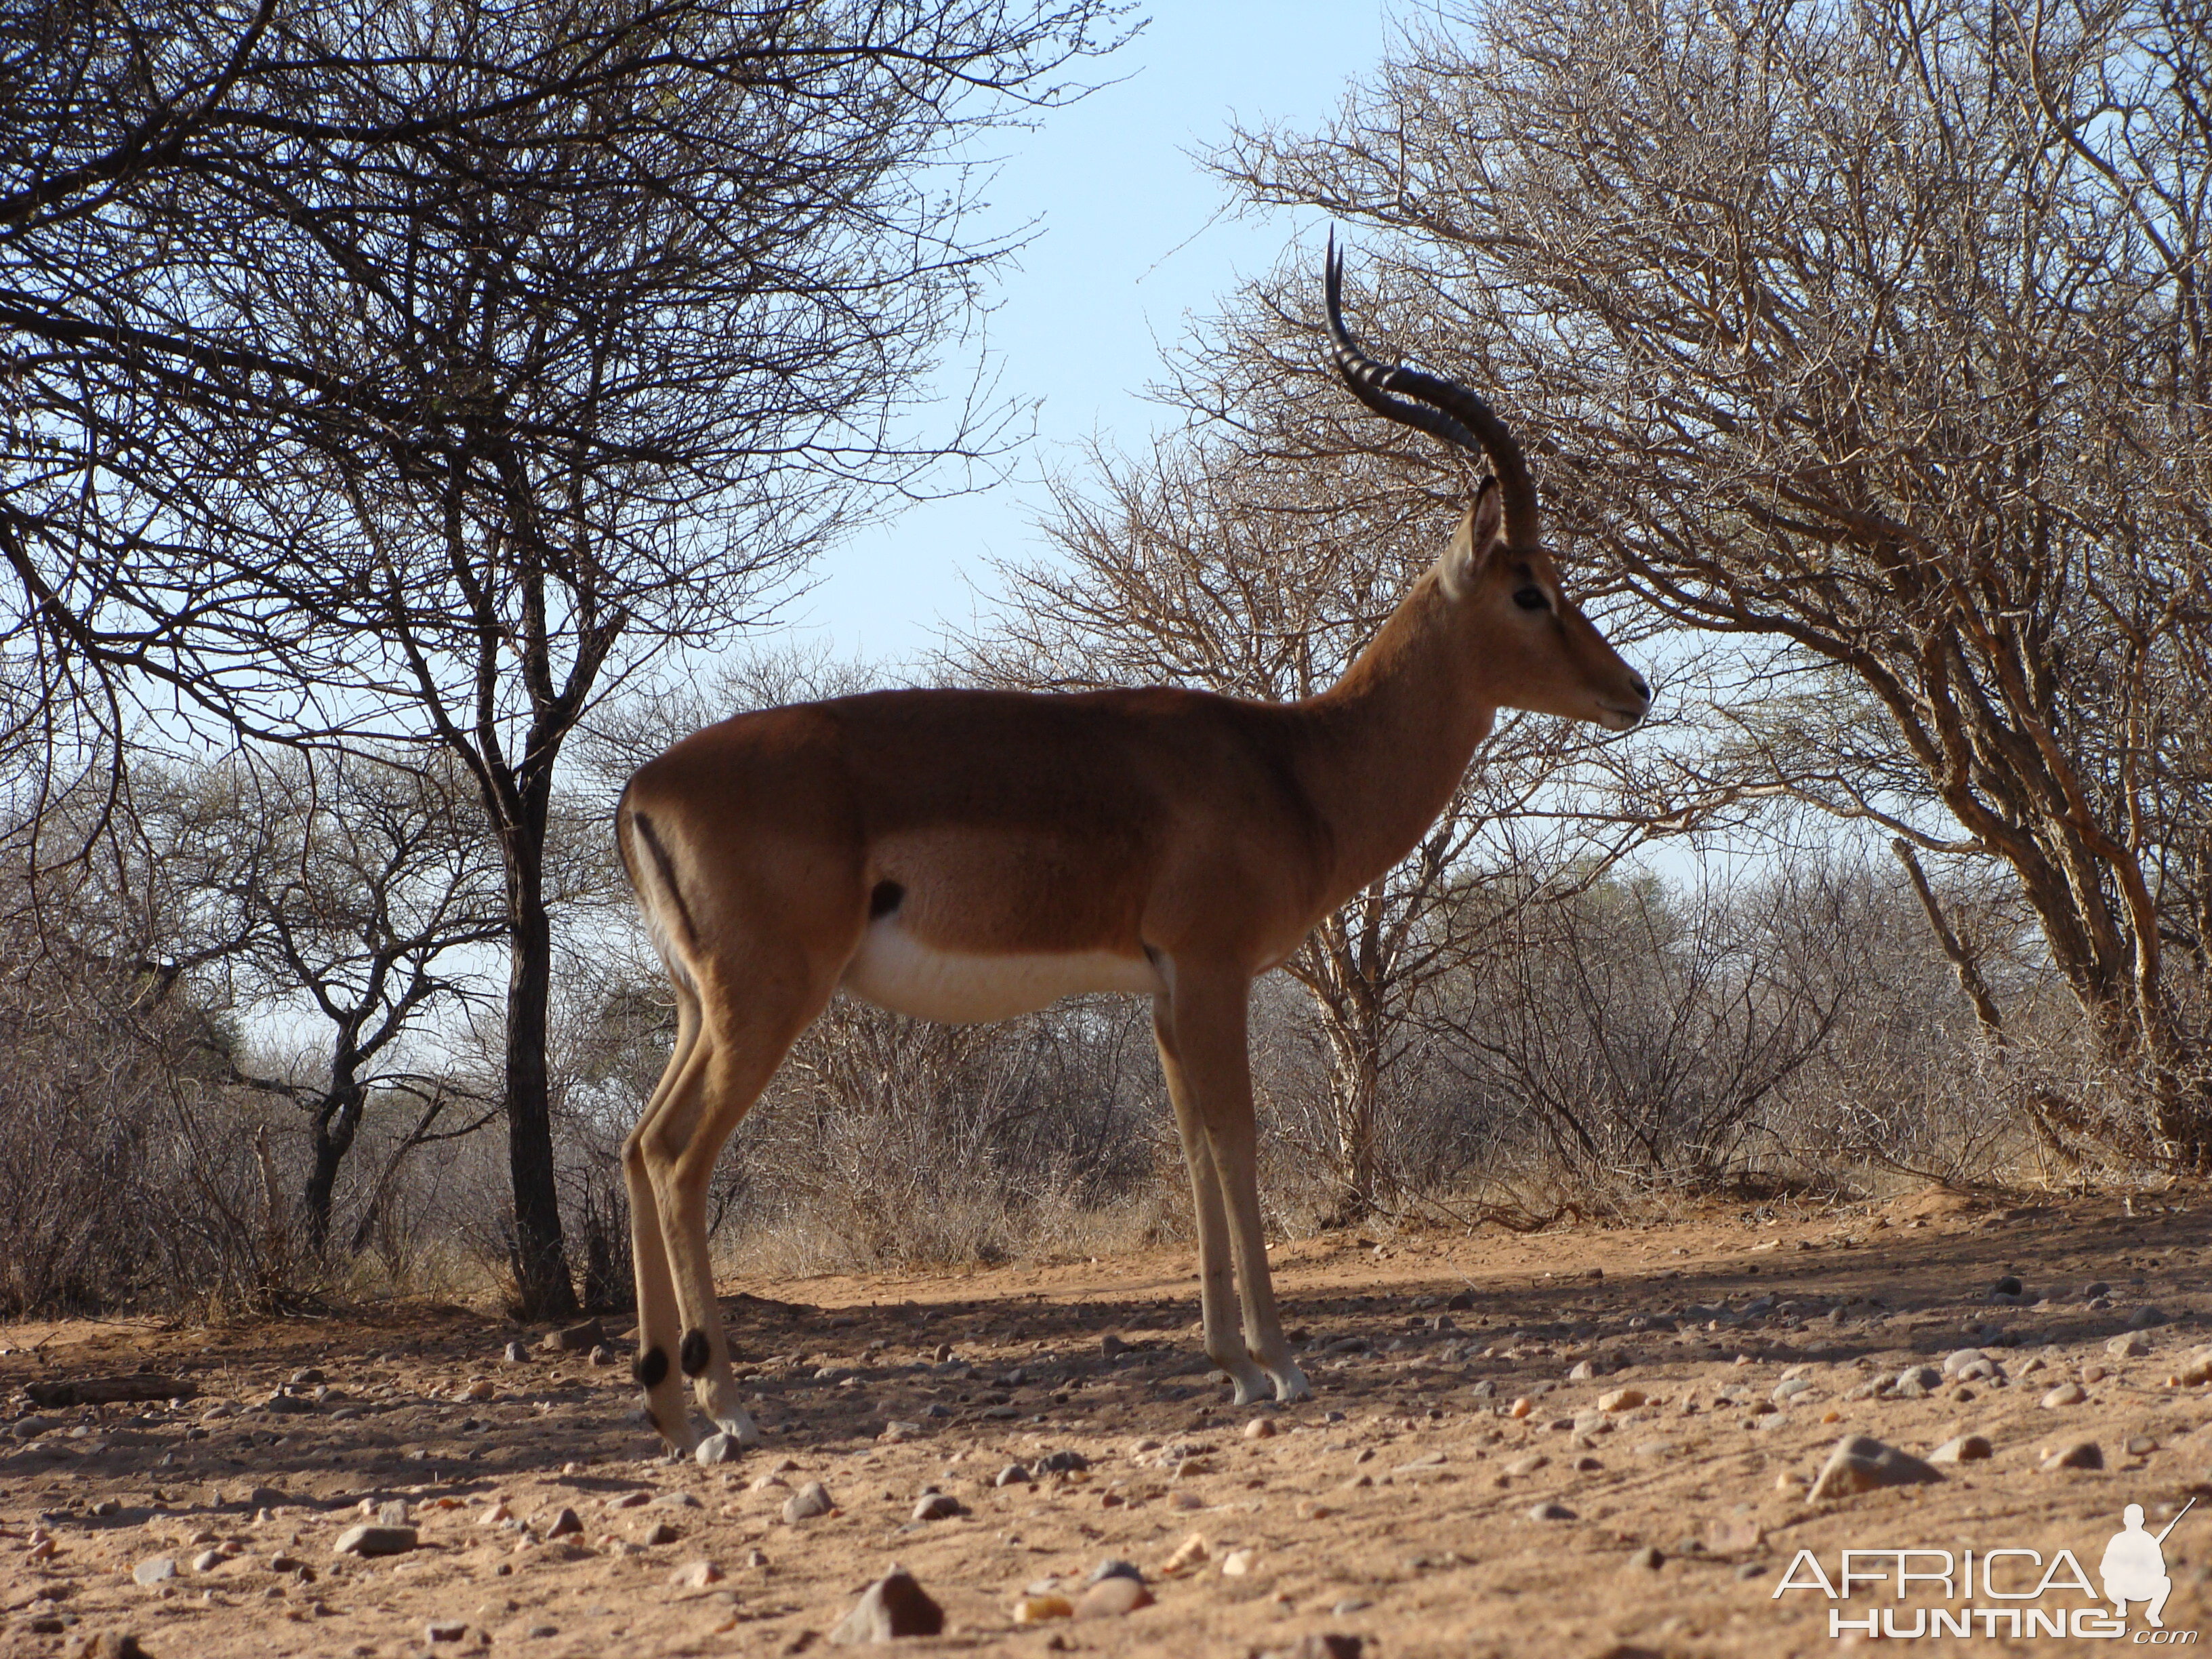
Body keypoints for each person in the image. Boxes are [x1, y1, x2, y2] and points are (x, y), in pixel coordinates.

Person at [2101, 1504, 2171, 1627]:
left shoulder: (2149, 1540)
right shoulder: (2117, 1539)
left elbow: (2161, 1568)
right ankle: (2121, 1606)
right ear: (2125, 1521)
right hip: (2121, 1586)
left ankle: (2153, 1614)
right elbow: (2105, 1568)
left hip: (2143, 1585)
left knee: (2165, 1582)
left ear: (2142, 1521)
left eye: (2137, 1519)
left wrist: (2145, 1567)